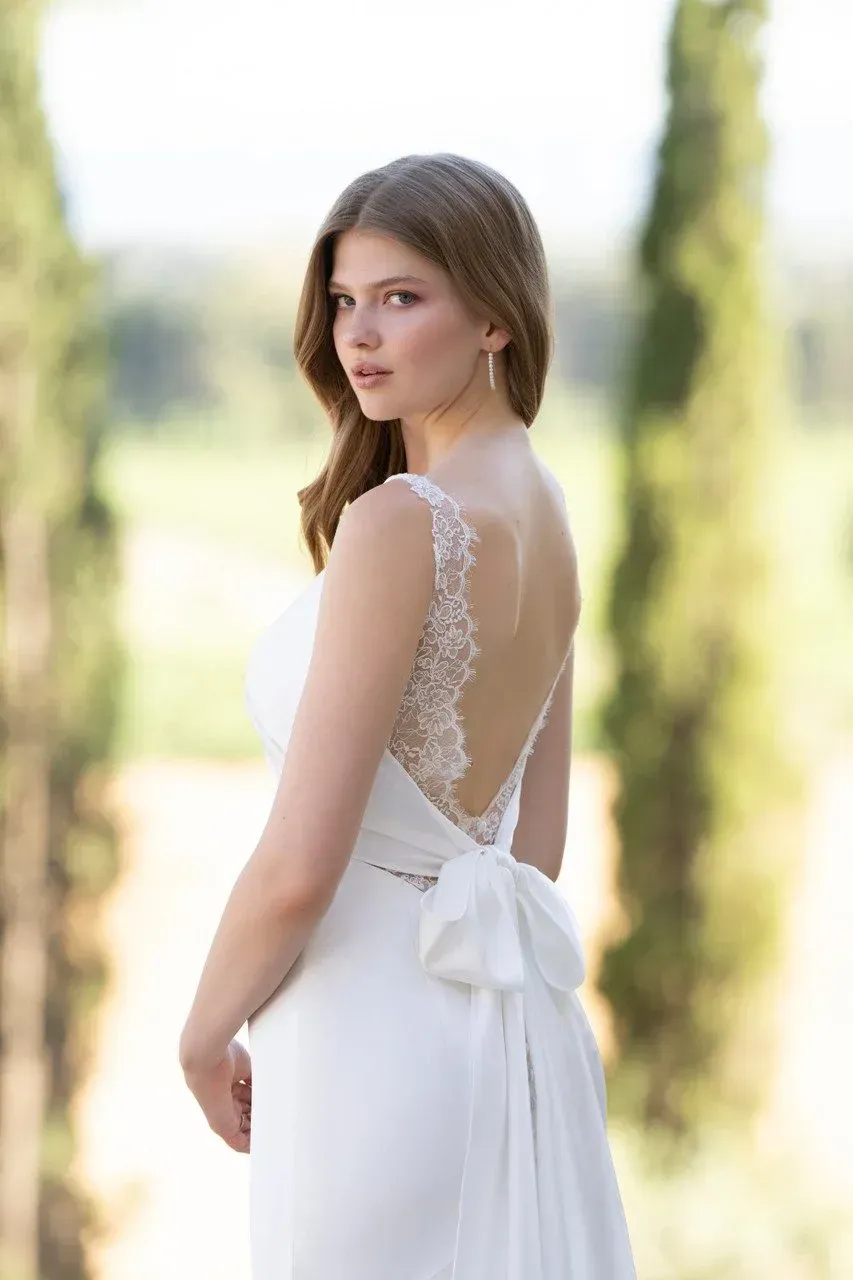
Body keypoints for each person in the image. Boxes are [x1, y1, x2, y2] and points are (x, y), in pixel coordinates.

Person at [179, 152, 637, 1279]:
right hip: (484, 1033)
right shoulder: (548, 507)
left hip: (358, 1035)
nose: (358, 335)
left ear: (494, 315)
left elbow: (299, 862)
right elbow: (535, 849)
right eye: (344, 300)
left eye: (400, 296)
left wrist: (200, 1036)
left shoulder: (402, 522)